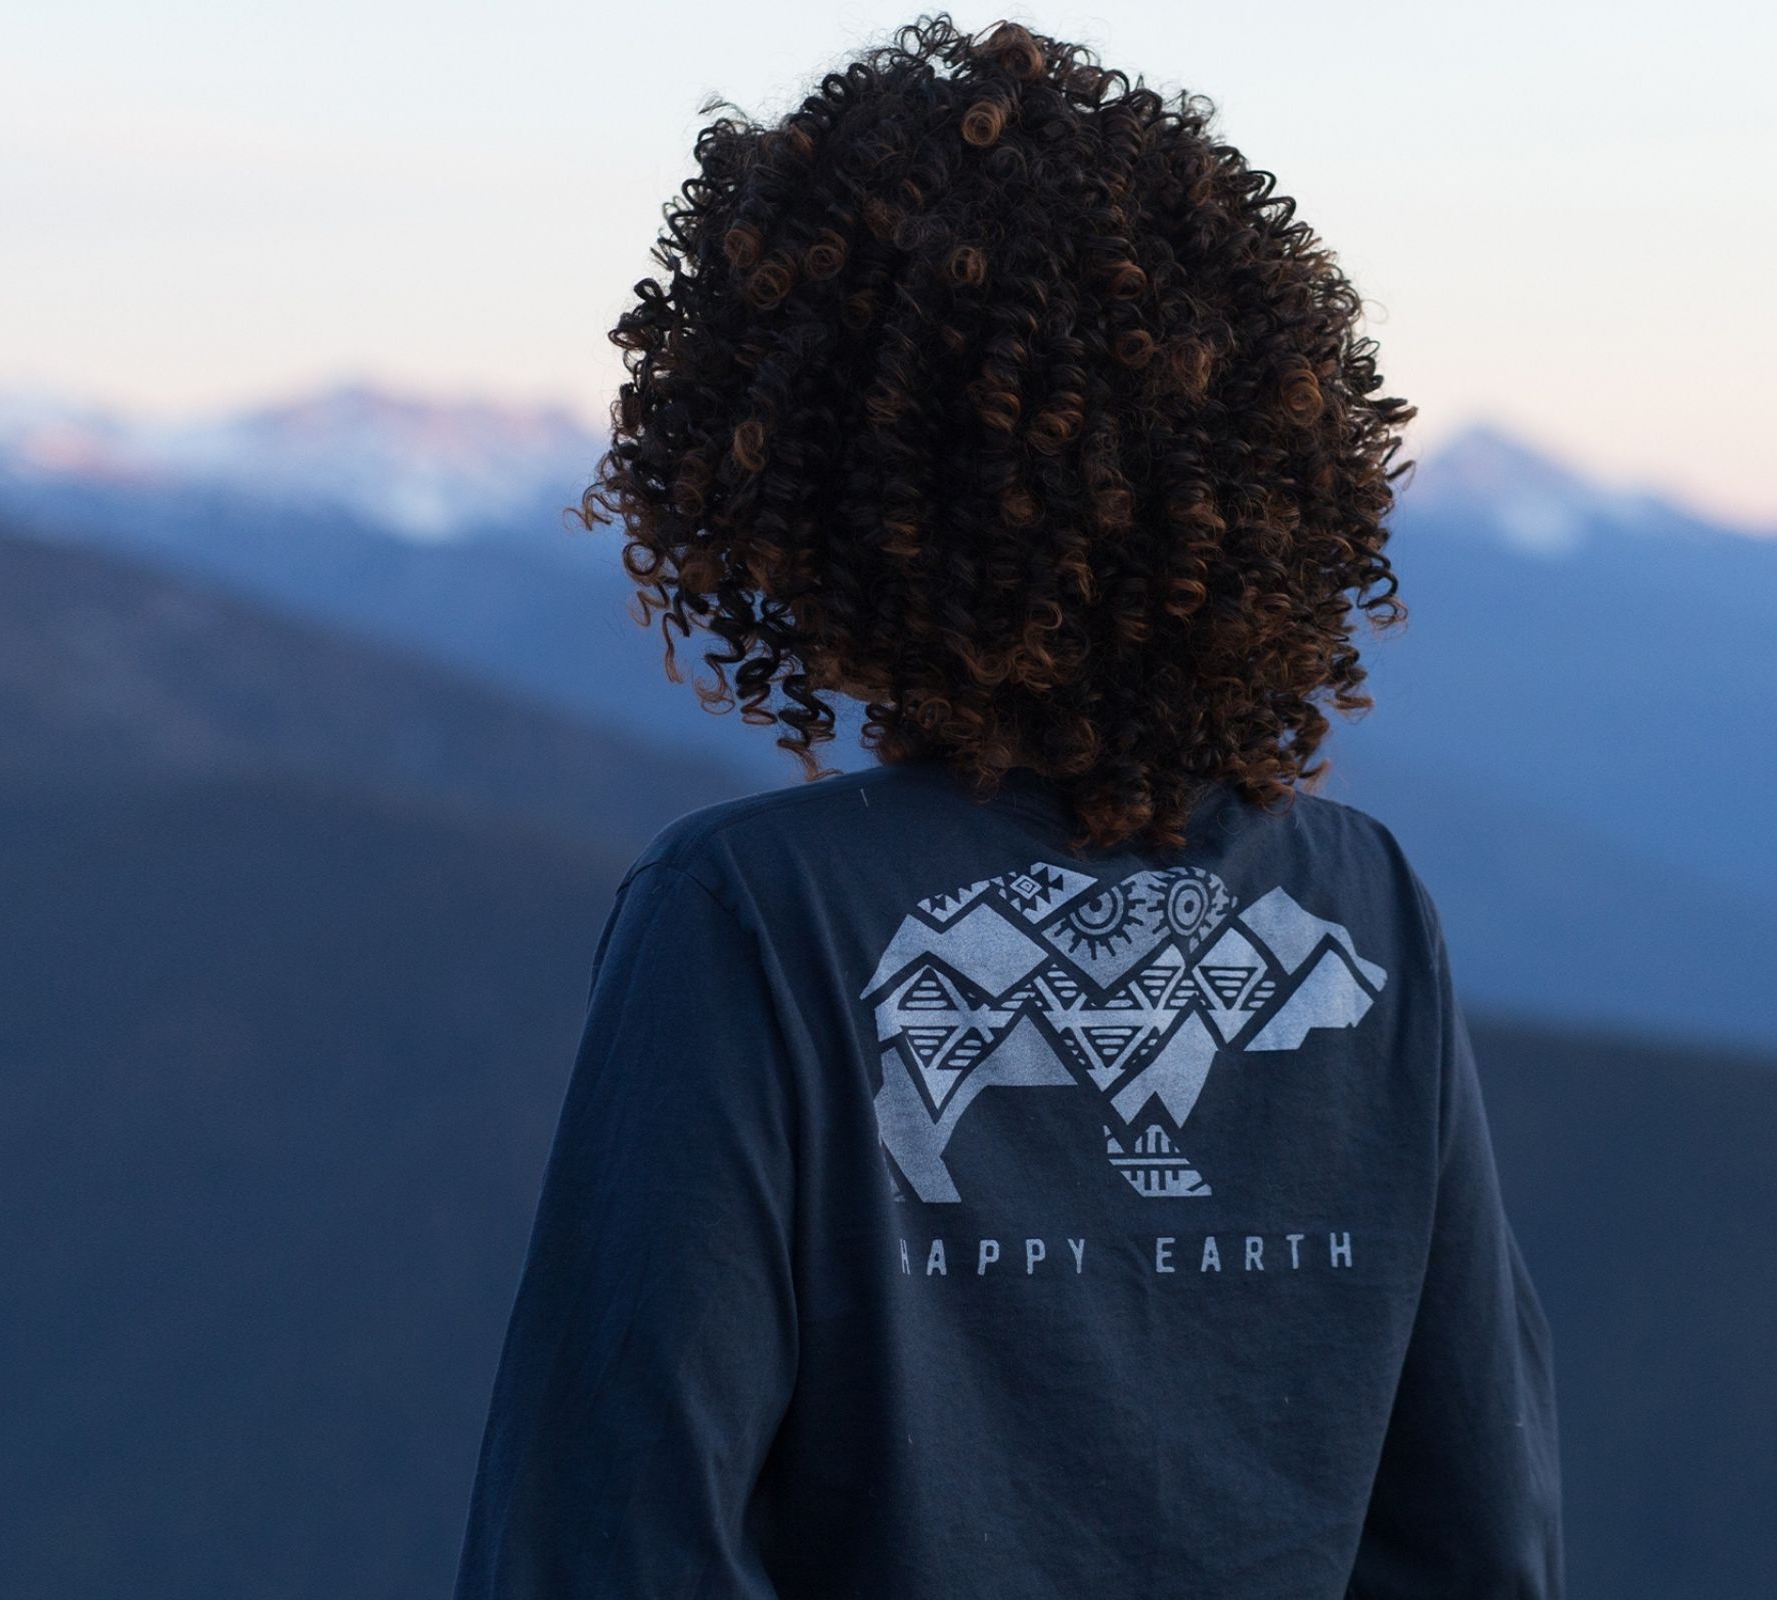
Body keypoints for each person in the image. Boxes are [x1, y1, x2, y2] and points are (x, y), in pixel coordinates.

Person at [452, 14, 1562, 1597]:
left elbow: (609, 1539)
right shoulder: (1359, 907)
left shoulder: (755, 919)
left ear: (792, 485)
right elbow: (1483, 1540)